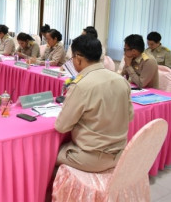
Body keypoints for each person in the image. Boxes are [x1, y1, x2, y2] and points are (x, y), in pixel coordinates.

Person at [55, 35, 134, 172]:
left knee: (47, 154)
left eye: (72, 58)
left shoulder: (81, 85)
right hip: (120, 153)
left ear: (78, 58)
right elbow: (130, 116)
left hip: (91, 158)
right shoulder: (121, 81)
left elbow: (62, 126)